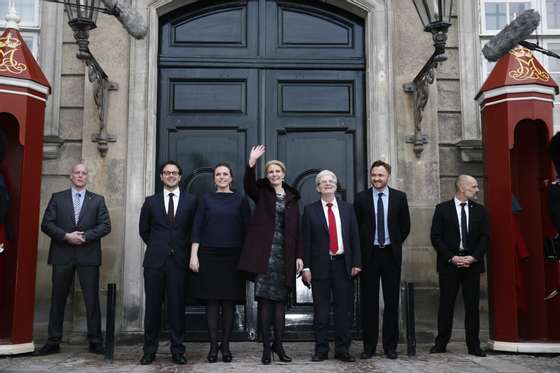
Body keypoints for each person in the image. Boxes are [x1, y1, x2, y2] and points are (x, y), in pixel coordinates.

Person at [237, 145, 304, 365]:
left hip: (284, 256)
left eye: (277, 171)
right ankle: (266, 349)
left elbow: (298, 229)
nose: (274, 174)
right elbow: (248, 185)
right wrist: (251, 163)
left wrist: (299, 256)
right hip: (264, 254)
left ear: (284, 174)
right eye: (270, 172)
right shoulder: (262, 192)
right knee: (265, 303)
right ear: (267, 176)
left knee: (279, 305)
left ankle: (279, 345)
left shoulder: (293, 197)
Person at [35, 163, 111, 356]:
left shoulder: (97, 200)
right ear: (70, 176)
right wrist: (66, 236)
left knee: (91, 300)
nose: (80, 176)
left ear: (87, 177)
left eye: (83, 173)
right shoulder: (57, 198)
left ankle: (95, 341)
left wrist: (84, 236)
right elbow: (46, 224)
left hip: (88, 255)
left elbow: (105, 226)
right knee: (58, 299)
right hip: (62, 254)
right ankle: (53, 341)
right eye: (76, 173)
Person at [189, 163, 251, 363]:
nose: (222, 177)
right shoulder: (206, 199)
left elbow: (248, 230)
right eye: (218, 174)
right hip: (208, 255)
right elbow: (197, 227)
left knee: (229, 302)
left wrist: (248, 258)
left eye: (225, 174)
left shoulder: (240, 200)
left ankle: (226, 346)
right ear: (214, 178)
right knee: (212, 302)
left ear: (231, 178)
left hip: (234, 256)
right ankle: (213, 347)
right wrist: (194, 255)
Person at [139, 161, 197, 365]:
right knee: (153, 308)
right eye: (167, 173)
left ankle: (178, 350)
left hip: (179, 262)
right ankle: (149, 350)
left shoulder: (191, 201)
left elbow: (194, 230)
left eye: (174, 173)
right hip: (154, 262)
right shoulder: (150, 202)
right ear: (161, 177)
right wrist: (160, 247)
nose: (171, 176)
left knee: (176, 307)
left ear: (180, 177)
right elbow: (143, 231)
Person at [302, 170, 361, 363]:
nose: (327, 184)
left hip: (343, 265)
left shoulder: (347, 209)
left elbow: (354, 237)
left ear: (336, 186)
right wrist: (306, 268)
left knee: (344, 311)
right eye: (323, 182)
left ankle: (343, 350)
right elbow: (306, 242)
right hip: (320, 267)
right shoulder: (310, 210)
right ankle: (321, 350)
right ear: (317, 188)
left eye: (331, 181)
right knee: (321, 311)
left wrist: (357, 262)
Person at [354, 160, 410, 360]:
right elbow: (356, 228)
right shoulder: (361, 198)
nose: (376, 178)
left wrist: (392, 243)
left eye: (380, 175)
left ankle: (390, 346)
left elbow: (405, 227)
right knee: (369, 303)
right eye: (374, 175)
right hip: (369, 256)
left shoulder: (399, 197)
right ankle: (369, 347)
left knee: (391, 302)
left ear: (388, 176)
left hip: (390, 255)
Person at [429, 175, 490, 357]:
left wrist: (473, 257)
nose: (477, 190)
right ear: (462, 188)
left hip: (472, 265)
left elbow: (485, 237)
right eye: (474, 186)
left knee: (472, 306)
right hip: (449, 265)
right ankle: (441, 343)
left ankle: (474, 345)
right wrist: (451, 257)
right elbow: (436, 237)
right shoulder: (442, 209)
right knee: (446, 304)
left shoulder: (480, 211)